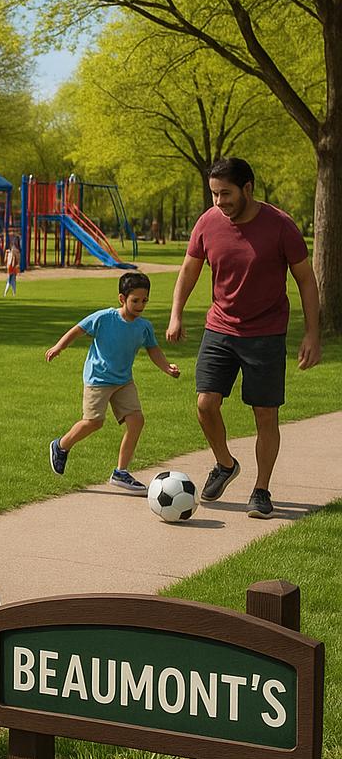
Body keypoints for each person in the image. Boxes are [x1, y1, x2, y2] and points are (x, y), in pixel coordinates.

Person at [166, 157, 320, 519]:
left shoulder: (281, 226)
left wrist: (312, 333)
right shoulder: (208, 222)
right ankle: (225, 463)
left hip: (265, 333)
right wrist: (176, 313)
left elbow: (306, 281)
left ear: (248, 188)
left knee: (265, 414)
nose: (219, 202)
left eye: (226, 194)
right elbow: (189, 269)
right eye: (214, 194)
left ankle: (262, 490)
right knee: (205, 404)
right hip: (220, 327)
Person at [47, 272, 180, 491]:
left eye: (144, 300)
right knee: (94, 422)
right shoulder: (104, 318)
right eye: (135, 300)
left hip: (123, 381)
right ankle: (61, 446)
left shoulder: (143, 326)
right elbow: (78, 330)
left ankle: (121, 472)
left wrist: (166, 367)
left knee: (136, 420)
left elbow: (153, 349)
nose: (140, 305)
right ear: (122, 299)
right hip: (98, 378)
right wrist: (59, 347)